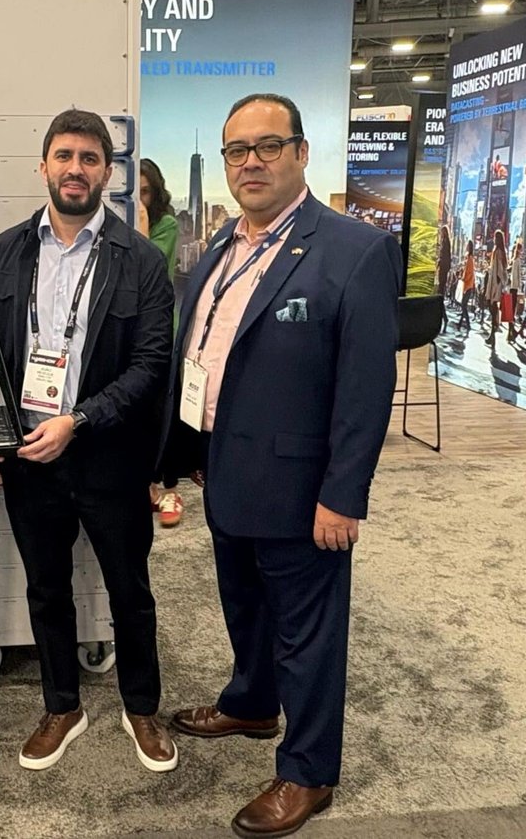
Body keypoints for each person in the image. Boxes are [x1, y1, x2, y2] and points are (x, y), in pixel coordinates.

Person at [160, 94, 399, 838]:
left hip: (302, 488)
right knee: (246, 606)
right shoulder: (223, 245)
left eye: (268, 146)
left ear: (300, 152)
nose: (252, 163)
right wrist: (188, 452)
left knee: (308, 634)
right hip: (225, 469)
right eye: (238, 151)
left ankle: (308, 770)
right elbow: (205, 354)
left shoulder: (353, 250)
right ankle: (252, 704)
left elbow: (366, 388)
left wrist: (344, 494)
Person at [0, 109, 177, 774]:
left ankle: (140, 706)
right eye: (64, 156)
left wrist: (79, 420)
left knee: (130, 590)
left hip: (108, 455)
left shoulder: (139, 259)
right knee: (45, 588)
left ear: (107, 173)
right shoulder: (7, 250)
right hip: (29, 456)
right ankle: (61, 706)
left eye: (90, 159)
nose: (75, 169)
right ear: (44, 166)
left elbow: (150, 364)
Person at [139, 158, 185, 527]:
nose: (139, 199)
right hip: (126, 332)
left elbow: (149, 266)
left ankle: (162, 485)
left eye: (145, 192)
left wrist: (138, 224)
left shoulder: (166, 225)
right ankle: (146, 484)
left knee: (157, 408)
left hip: (159, 330)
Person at [483, 229, 509, 346]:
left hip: (495, 284)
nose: (493, 239)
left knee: (492, 307)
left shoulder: (498, 251)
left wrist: (497, 281)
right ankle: (492, 334)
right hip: (496, 283)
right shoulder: (501, 251)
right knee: (493, 308)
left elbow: (499, 270)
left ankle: (493, 334)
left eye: (495, 237)